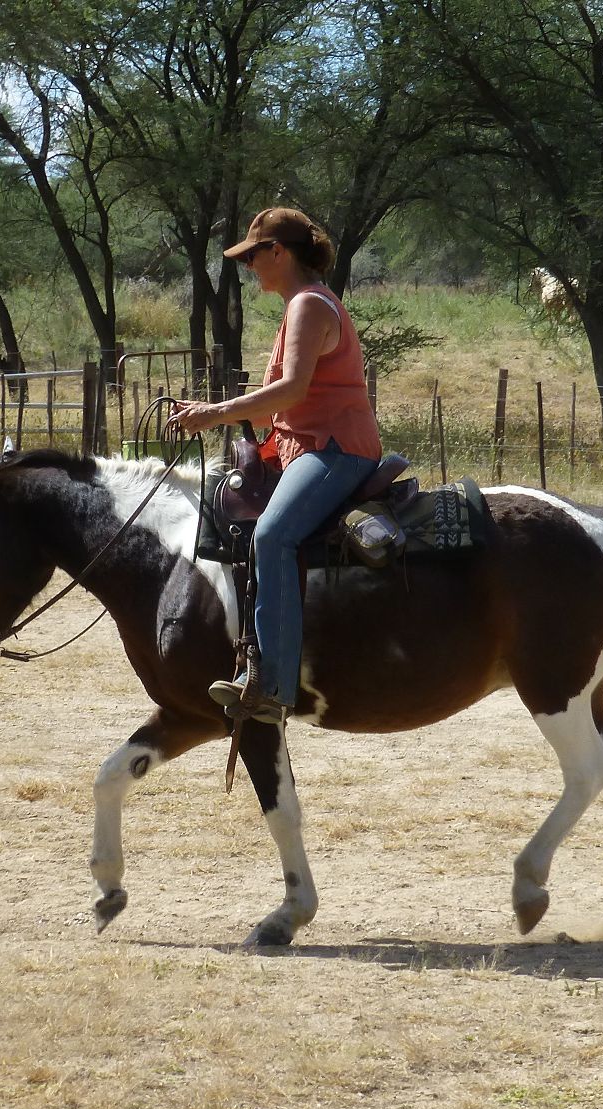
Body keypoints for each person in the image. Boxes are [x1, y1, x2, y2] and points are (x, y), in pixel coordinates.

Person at [170, 207, 382, 725]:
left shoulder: (310, 305)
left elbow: (293, 390)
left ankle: (272, 682)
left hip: (335, 449)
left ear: (279, 253)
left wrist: (214, 412)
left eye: (253, 257)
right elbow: (269, 408)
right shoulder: (297, 308)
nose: (249, 268)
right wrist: (207, 415)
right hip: (301, 447)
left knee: (272, 536)